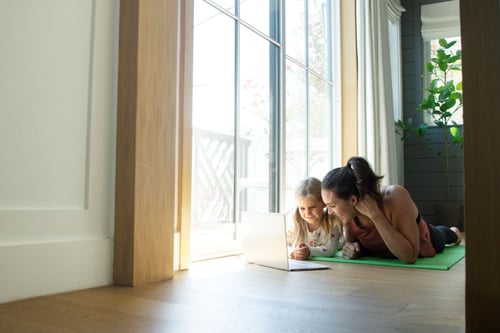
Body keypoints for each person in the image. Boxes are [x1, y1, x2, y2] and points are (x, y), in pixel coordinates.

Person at [321, 156, 462, 264]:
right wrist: (351, 248)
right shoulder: (348, 213)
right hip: (383, 250)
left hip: (426, 239)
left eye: (332, 206)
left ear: (353, 200)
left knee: (442, 235)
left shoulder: (395, 196)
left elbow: (410, 256)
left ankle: (454, 232)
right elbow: (351, 243)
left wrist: (375, 215)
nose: (328, 212)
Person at [287, 177, 344, 260]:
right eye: (302, 208)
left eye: (312, 207)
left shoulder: (333, 222)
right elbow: (285, 244)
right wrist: (292, 252)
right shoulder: (296, 222)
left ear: (324, 203)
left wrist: (309, 251)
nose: (307, 213)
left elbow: (330, 250)